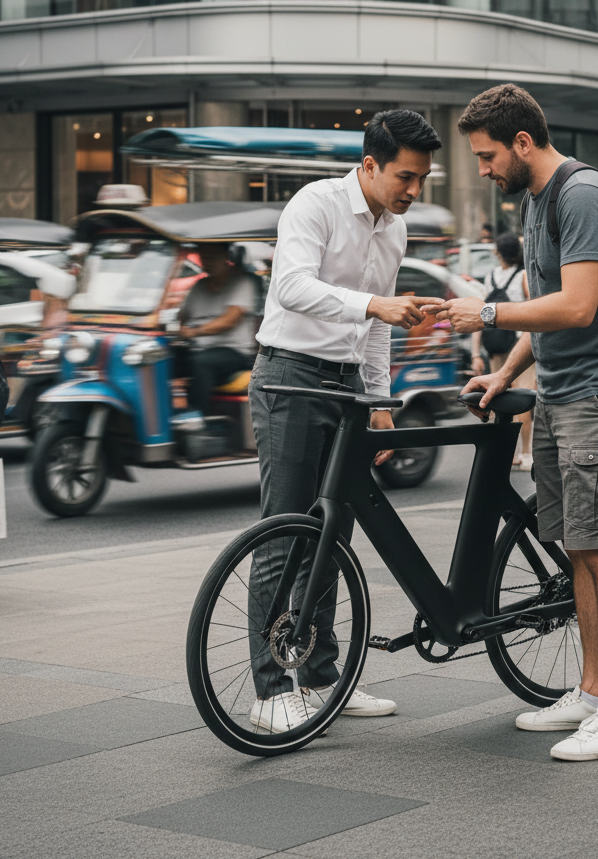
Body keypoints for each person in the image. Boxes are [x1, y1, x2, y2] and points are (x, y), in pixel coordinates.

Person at [428, 83, 598, 762]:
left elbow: (580, 305)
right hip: (560, 394)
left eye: (489, 155)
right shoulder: (535, 202)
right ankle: (590, 693)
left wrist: (489, 316)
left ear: (524, 142)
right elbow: (548, 308)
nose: (485, 170)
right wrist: (504, 374)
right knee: (577, 547)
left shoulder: (581, 195)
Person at [247, 109, 445, 731]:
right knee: (286, 534)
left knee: (336, 532)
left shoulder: (395, 230)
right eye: (405, 177)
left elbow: (378, 329)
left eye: (423, 180)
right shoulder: (316, 204)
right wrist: (373, 304)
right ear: (369, 165)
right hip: (289, 376)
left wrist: (381, 403)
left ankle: (321, 676)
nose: (414, 191)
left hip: (347, 388)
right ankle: (271, 687)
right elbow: (292, 288)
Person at [471, 232, 535, 469]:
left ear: (498, 252)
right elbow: (534, 309)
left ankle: (509, 452)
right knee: (524, 398)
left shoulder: (490, 277)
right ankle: (526, 453)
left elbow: (482, 314)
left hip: (497, 343)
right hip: (519, 344)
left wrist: (475, 353)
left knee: (499, 399)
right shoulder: (524, 275)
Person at [175, 243, 258, 421]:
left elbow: (229, 320)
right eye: (205, 257)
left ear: (225, 257)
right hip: (198, 348)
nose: (208, 261)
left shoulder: (243, 282)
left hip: (234, 353)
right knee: (163, 358)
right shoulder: (198, 286)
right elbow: (182, 316)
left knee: (200, 363)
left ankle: (196, 420)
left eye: (213, 256)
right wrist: (177, 328)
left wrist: (193, 332)